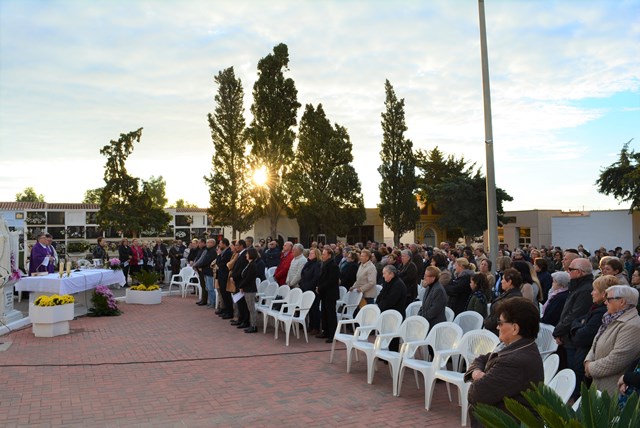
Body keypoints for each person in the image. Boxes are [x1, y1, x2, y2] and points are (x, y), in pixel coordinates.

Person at [465, 297, 544, 428]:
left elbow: (476, 393)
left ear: (515, 328)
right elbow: (482, 358)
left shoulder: (516, 361)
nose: (497, 326)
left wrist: (477, 375)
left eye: (500, 323)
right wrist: (478, 374)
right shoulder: (514, 347)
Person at [585, 285, 640, 396]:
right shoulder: (610, 317)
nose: (605, 302)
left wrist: (590, 368)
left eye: (609, 299)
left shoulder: (633, 326)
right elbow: (595, 343)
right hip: (598, 382)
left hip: (611, 388)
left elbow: (617, 359)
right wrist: (588, 361)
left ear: (622, 302)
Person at [569, 274, 618, 399]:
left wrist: (577, 327)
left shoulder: (601, 312)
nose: (591, 293)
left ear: (603, 294)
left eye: (594, 290)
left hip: (587, 359)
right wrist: (579, 325)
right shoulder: (596, 308)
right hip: (584, 356)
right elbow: (578, 320)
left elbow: (583, 336)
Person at [553, 258, 594, 375]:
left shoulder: (586, 289)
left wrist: (558, 331)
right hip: (568, 336)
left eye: (570, 269)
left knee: (574, 373)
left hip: (574, 339)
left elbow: (575, 314)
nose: (567, 271)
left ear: (579, 272)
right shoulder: (577, 286)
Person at [376, 264, 407, 352]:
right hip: (387, 313)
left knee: (392, 338)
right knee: (383, 334)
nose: (383, 275)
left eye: (385, 273)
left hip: (395, 315)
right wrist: (379, 304)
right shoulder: (388, 282)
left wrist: (380, 306)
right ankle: (382, 352)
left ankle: (391, 355)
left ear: (391, 274)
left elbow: (390, 301)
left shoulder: (398, 285)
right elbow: (381, 295)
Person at [484, 268, 523, 334]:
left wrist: (486, 322)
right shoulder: (507, 293)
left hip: (500, 332)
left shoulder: (512, 298)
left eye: (503, 279)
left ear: (510, 282)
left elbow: (500, 316)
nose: (501, 281)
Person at [316, 248, 340, 342]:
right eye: (322, 254)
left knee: (331, 315)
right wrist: (319, 287)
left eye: (324, 254)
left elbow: (331, 281)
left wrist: (320, 287)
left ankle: (333, 334)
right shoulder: (324, 264)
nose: (322, 255)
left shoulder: (333, 266)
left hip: (330, 294)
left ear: (329, 255)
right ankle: (325, 331)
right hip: (324, 293)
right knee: (324, 313)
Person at [301, 247, 323, 335]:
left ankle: (316, 327)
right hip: (305, 288)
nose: (310, 254)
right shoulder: (307, 263)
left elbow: (316, 277)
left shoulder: (317, 264)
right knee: (309, 308)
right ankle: (310, 325)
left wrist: (308, 286)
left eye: (312, 253)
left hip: (313, 289)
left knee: (315, 308)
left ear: (316, 255)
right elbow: (302, 274)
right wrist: (303, 285)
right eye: (309, 253)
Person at [237, 247, 259, 333]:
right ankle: (252, 324)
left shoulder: (252, 265)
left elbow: (248, 278)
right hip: (247, 288)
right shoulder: (249, 264)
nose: (246, 255)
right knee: (249, 307)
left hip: (250, 289)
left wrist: (241, 285)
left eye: (247, 254)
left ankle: (253, 325)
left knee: (251, 308)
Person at [193, 238, 217, 308]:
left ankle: (212, 302)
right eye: (207, 243)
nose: (207, 244)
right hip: (205, 271)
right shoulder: (208, 250)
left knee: (210, 288)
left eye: (209, 243)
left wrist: (200, 265)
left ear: (212, 243)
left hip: (209, 271)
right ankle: (210, 302)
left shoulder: (212, 251)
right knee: (207, 287)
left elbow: (206, 260)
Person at [231, 240, 249, 328]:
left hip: (241, 281)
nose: (235, 247)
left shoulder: (245, 254)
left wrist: (234, 276)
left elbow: (241, 269)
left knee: (242, 302)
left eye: (237, 245)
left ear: (242, 246)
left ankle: (245, 321)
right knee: (239, 302)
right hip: (237, 280)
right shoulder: (240, 254)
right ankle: (241, 318)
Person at [215, 238, 233, 319]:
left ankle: (229, 312)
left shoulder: (228, 252)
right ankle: (225, 310)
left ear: (225, 244)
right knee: (223, 294)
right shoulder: (224, 251)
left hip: (225, 275)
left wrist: (218, 255)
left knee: (226, 295)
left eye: (220, 243)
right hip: (221, 275)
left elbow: (220, 263)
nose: (219, 245)